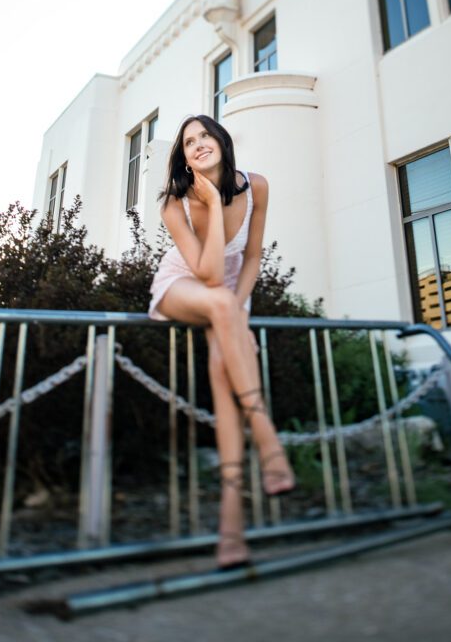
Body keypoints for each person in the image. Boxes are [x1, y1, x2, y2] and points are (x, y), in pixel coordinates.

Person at [149, 114, 295, 570]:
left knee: (221, 371)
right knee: (218, 305)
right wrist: (209, 201)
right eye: (188, 142)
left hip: (231, 297)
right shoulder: (175, 204)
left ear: (221, 141)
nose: (197, 144)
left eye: (204, 136)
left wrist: (238, 308)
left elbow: (252, 257)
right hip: (184, 286)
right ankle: (266, 436)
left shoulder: (258, 186)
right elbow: (208, 272)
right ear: (185, 157)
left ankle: (231, 527)